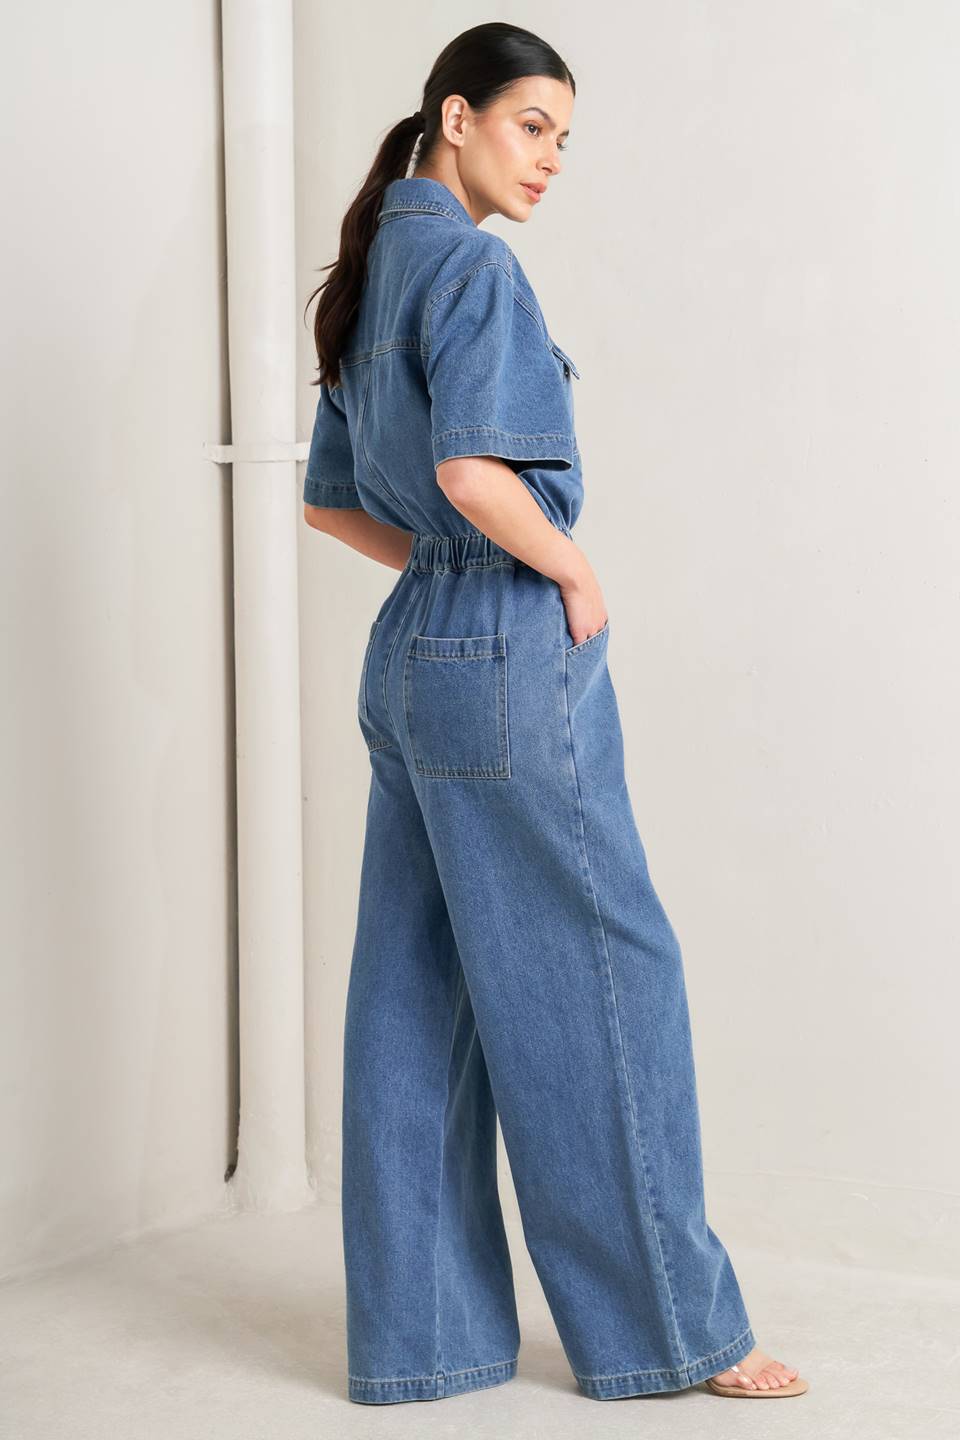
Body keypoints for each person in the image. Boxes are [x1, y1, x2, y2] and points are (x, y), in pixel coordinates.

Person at [302, 20, 808, 1406]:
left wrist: (453, 582)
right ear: (454, 118)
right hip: (506, 652)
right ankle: (675, 1335)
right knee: (604, 976)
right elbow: (473, 473)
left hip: (407, 659)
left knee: (415, 997)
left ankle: (426, 1343)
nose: (551, 161)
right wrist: (570, 567)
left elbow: (331, 500)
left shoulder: (371, 270)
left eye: (566, 140)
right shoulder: (471, 266)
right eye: (533, 126)